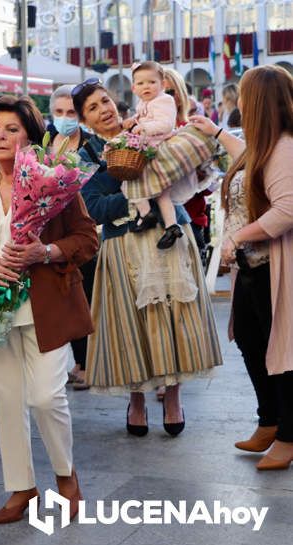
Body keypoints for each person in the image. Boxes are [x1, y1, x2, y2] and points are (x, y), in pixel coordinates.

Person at [0, 94, 95, 524]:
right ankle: (22, 487)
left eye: (11, 129)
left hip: (47, 306)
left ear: (30, 136)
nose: (0, 136)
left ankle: (66, 478)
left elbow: (87, 239)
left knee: (47, 396)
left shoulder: (56, 179)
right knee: (9, 402)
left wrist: (44, 252)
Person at [74, 79, 222, 437]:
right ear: (84, 120)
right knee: (131, 324)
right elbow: (92, 208)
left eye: (105, 100)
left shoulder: (147, 130)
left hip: (170, 235)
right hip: (123, 245)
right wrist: (136, 196)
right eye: (93, 108)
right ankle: (136, 400)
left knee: (175, 317)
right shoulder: (87, 155)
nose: (103, 110)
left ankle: (173, 398)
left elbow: (181, 176)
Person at [191, 66, 293, 469]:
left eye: (245, 98)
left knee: (281, 352)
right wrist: (215, 133)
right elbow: (246, 159)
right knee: (252, 343)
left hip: (274, 267)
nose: (239, 105)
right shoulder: (263, 147)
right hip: (252, 268)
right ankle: (269, 421)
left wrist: (238, 236)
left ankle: (288, 435)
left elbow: (287, 208)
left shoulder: (284, 148)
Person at [47, 84, 100, 391]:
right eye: (59, 112)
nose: (65, 118)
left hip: (83, 231)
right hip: (51, 230)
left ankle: (84, 362)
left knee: (84, 296)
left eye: (71, 112)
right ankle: (65, 361)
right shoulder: (45, 142)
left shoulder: (91, 146)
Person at [120, 61, 183, 249]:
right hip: (149, 148)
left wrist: (143, 127)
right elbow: (143, 118)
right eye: (140, 83)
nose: (146, 86)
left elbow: (166, 124)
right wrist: (134, 120)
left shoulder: (165, 100)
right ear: (133, 88)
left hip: (158, 148)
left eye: (151, 82)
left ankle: (151, 216)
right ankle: (169, 224)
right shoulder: (143, 103)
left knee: (133, 183)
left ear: (162, 84)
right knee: (159, 191)